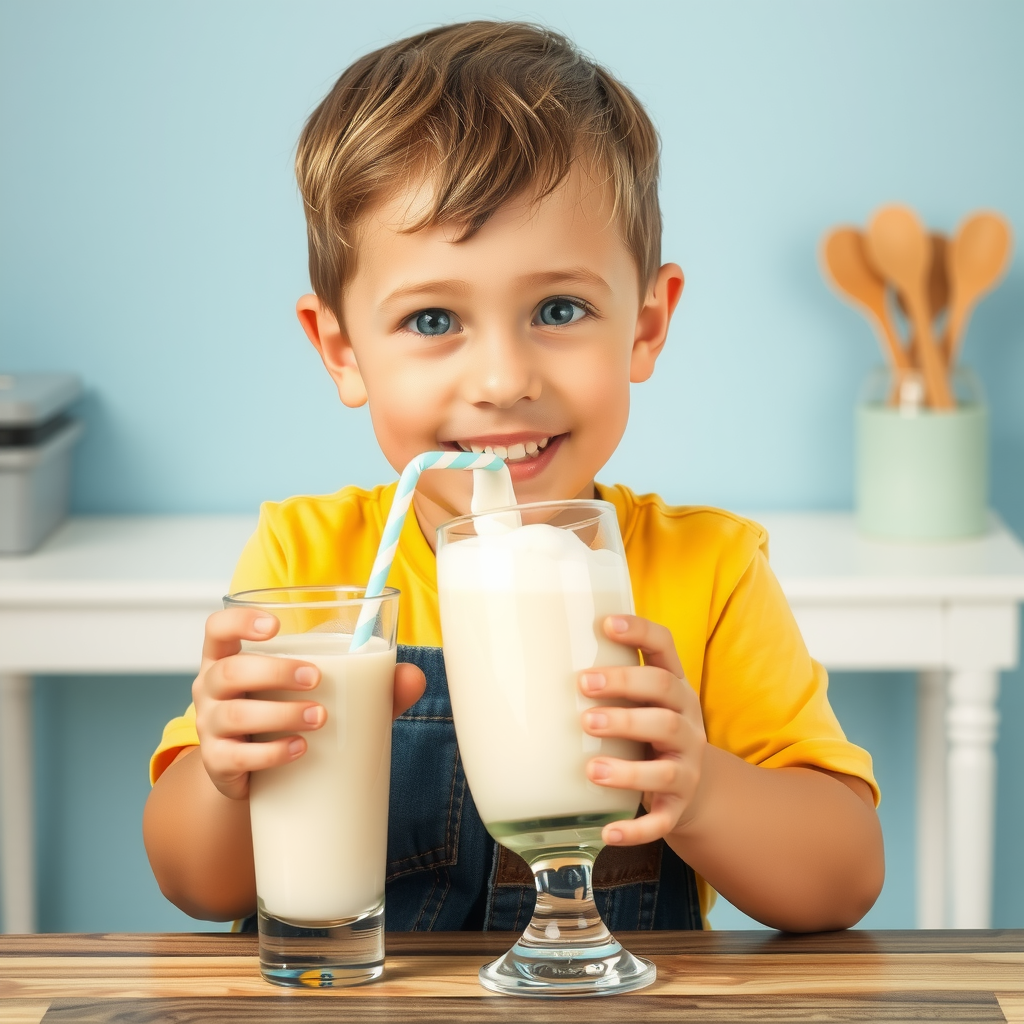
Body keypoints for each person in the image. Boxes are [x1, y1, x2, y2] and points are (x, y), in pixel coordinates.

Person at [143, 20, 883, 933]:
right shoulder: (311, 560)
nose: (502, 381)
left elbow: (844, 879)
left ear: (646, 326)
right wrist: (224, 774)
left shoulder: (708, 568)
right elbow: (196, 883)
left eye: (559, 309)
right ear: (342, 351)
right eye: (431, 321)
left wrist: (704, 791)